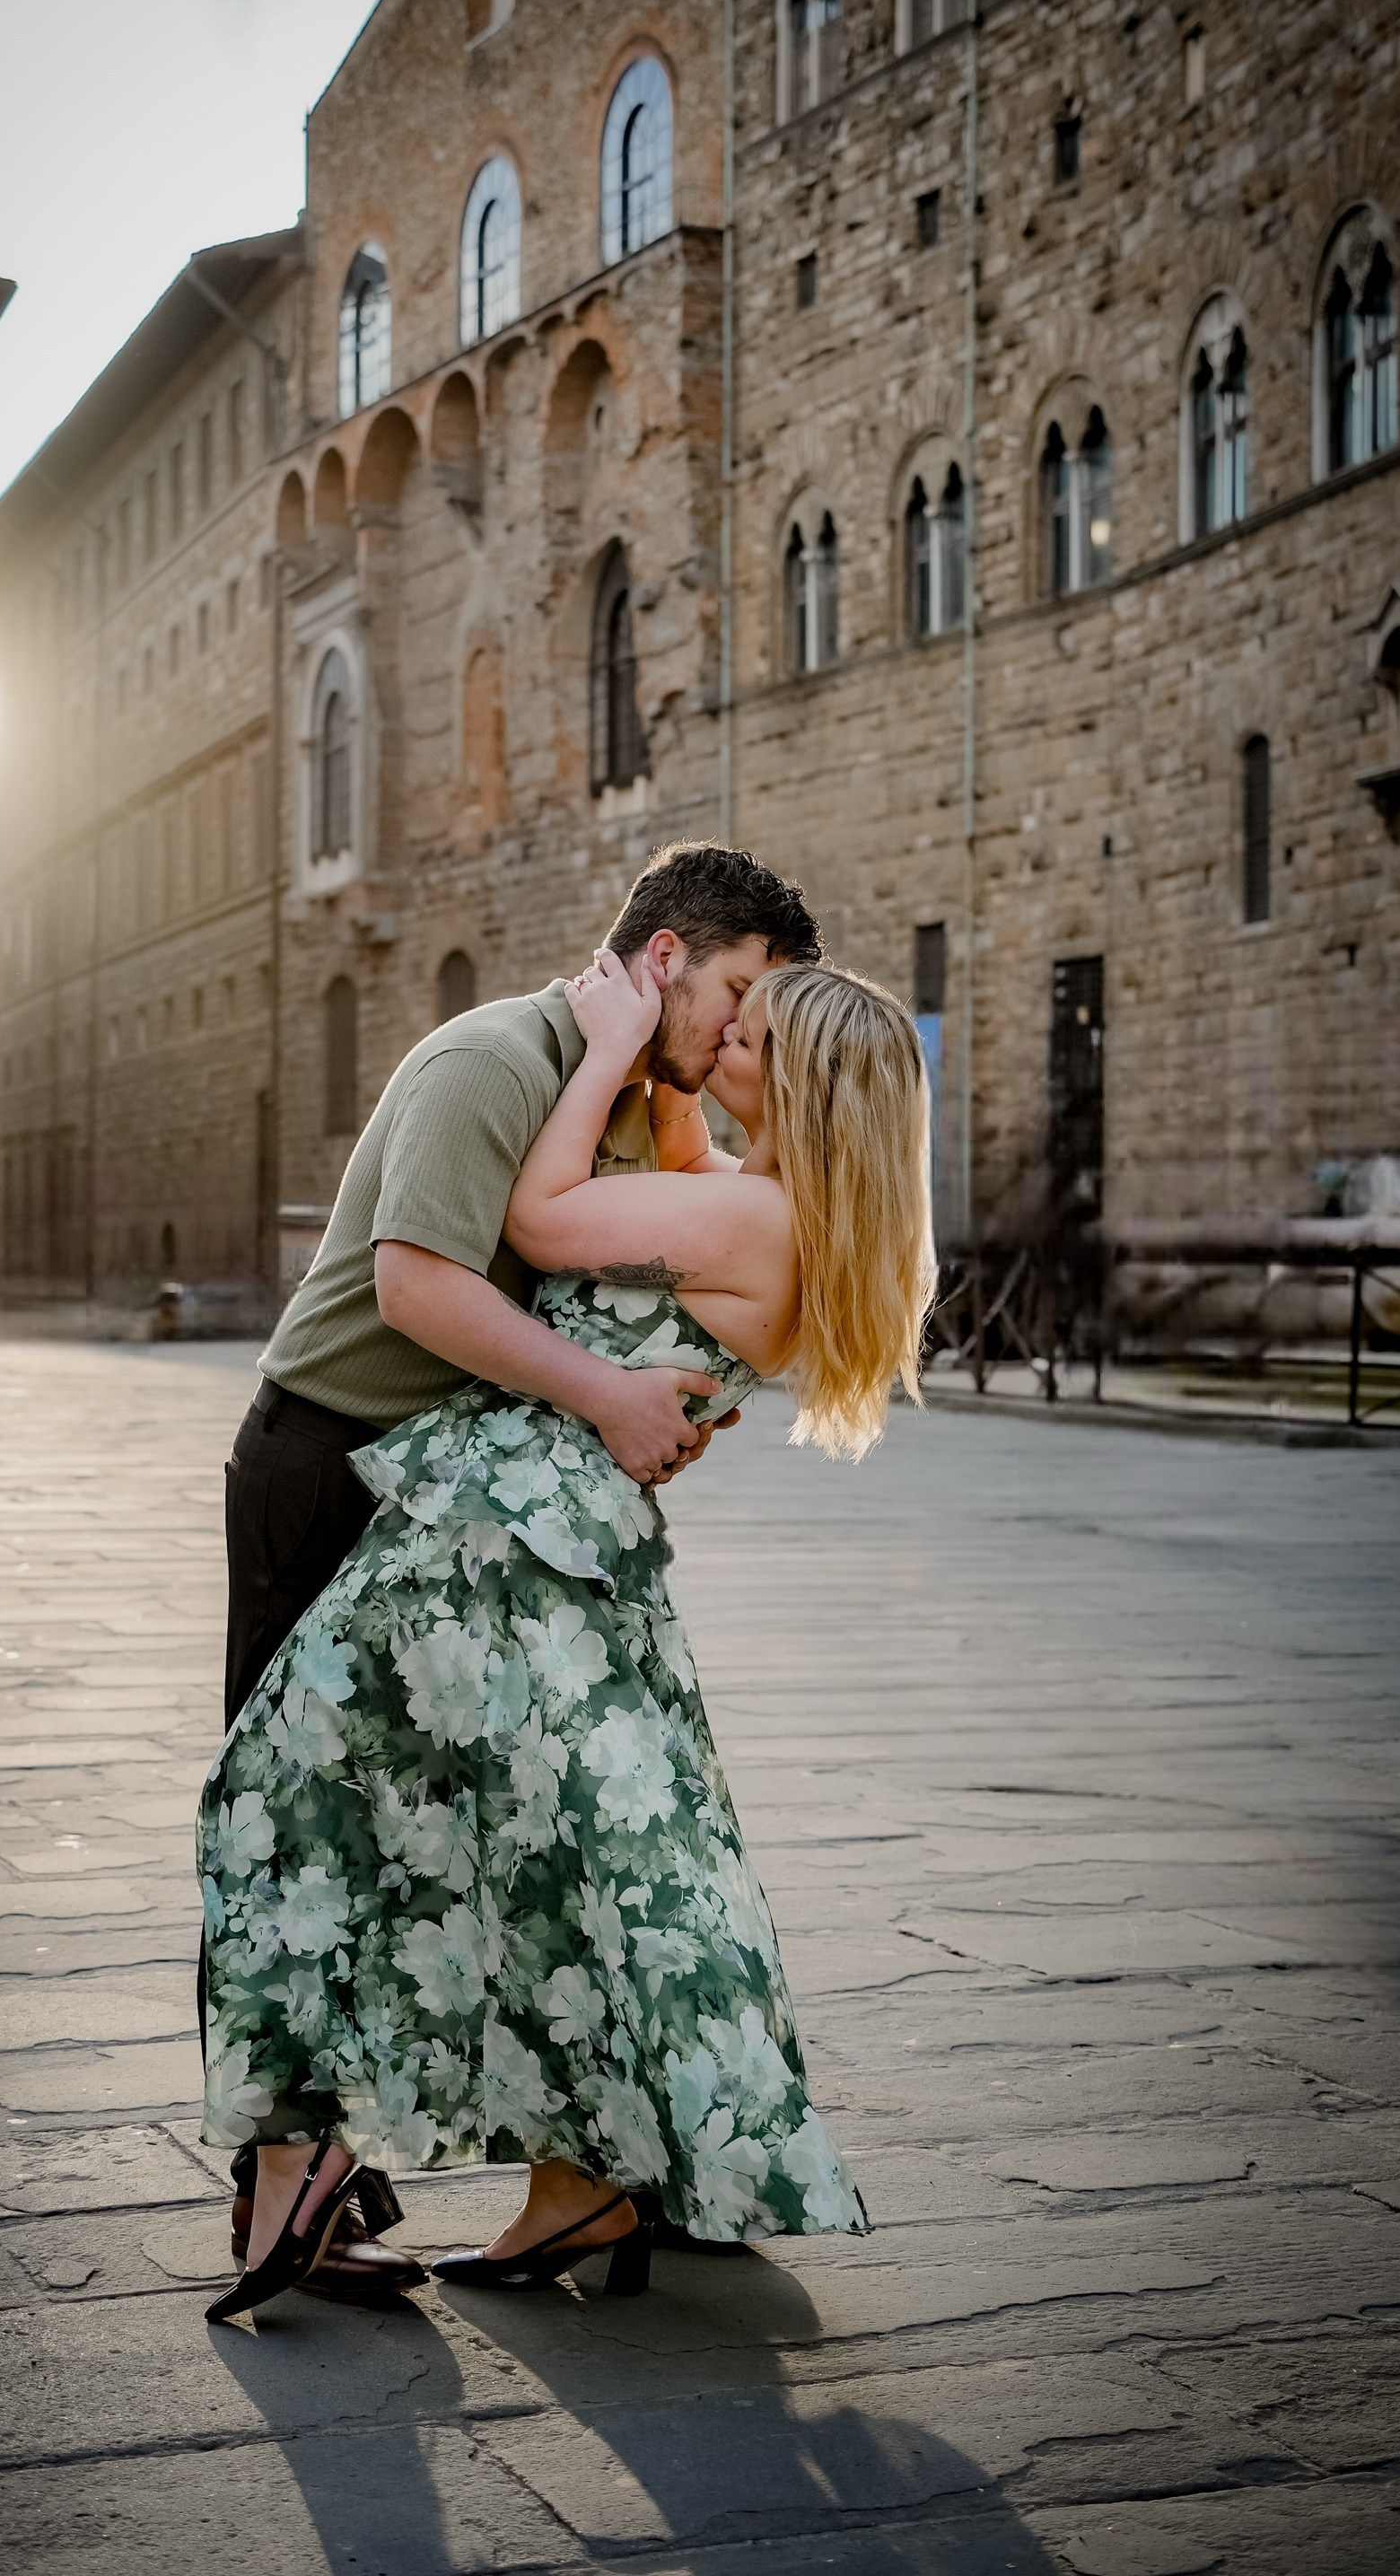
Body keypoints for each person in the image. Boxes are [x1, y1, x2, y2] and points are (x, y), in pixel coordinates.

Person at [196, 904, 938, 2321]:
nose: (731, 1034)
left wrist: (606, 1053)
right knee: (569, 1870)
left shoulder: (736, 1204)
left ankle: (315, 2157)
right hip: (535, 1537)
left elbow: (536, 1226)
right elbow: (665, 1210)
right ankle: (563, 2180)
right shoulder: (766, 1201)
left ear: (802, 1085)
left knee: (301, 1804)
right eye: (731, 999)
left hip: (504, 1546)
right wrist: (649, 1082)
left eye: (757, 1030)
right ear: (671, 957)